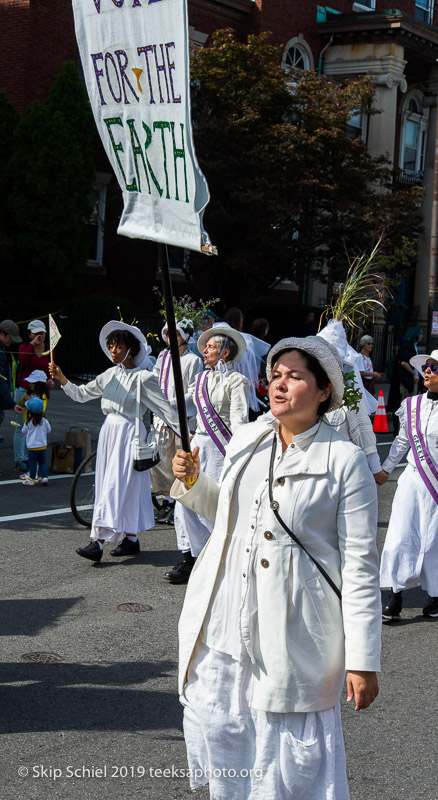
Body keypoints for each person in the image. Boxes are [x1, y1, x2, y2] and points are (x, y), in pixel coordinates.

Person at [171, 335, 381, 799]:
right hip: (225, 625)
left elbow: (362, 570)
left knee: (287, 765)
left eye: (296, 376)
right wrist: (192, 481)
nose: (280, 385)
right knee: (226, 740)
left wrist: (364, 661)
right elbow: (229, 515)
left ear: (325, 390)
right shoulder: (246, 439)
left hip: (292, 633)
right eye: (275, 375)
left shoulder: (344, 461)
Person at [49, 321, 180, 563]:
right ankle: (130, 539)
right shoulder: (109, 374)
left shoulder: (144, 377)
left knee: (114, 485)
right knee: (115, 486)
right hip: (110, 433)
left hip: (130, 434)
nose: (113, 351)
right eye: (110, 346)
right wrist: (62, 378)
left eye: (118, 346)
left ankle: (97, 543)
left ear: (131, 349)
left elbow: (165, 410)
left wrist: (186, 435)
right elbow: (81, 394)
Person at [165, 324, 249, 584]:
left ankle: (220, 558)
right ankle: (190, 557)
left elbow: (239, 421)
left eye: (211, 347)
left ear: (225, 352)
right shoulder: (201, 379)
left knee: (210, 504)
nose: (205, 351)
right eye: (205, 347)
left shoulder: (237, 381)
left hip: (221, 448)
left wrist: (240, 449)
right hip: (198, 445)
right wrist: (161, 398)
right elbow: (186, 403)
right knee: (185, 503)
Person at [379, 349, 438, 620]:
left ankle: (435, 596)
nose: (427, 372)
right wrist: (386, 469)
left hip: (436, 484)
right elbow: (403, 441)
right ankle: (395, 595)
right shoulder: (412, 405)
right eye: (427, 367)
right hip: (413, 479)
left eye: (434, 368)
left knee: (433, 542)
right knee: (401, 535)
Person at [150, 318, 202, 524]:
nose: (171, 337)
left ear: (185, 337)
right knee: (161, 460)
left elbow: (193, 392)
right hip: (162, 418)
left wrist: (169, 403)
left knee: (178, 458)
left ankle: (179, 502)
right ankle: (167, 499)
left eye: (177, 334)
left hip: (182, 420)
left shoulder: (193, 361)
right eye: (168, 334)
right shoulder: (163, 357)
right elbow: (154, 381)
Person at [14, 319, 52, 473]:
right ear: (30, 334)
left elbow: (50, 368)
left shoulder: (49, 349)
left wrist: (51, 380)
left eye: (41, 332)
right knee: (21, 425)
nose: (39, 335)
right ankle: (20, 459)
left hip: (40, 392)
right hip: (24, 389)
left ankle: (33, 457)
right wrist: (32, 345)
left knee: (37, 422)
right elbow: (22, 360)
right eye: (36, 333)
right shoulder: (24, 347)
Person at [387, 326, 423, 434]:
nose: (421, 336)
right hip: (404, 381)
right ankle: (401, 430)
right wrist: (414, 375)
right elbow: (403, 362)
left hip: (406, 380)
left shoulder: (411, 346)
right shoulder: (408, 346)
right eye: (420, 333)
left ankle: (403, 429)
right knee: (404, 404)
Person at [17, 370, 51, 480]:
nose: (30, 384)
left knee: (33, 454)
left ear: (40, 384)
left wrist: (30, 400)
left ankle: (33, 474)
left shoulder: (43, 396)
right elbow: (21, 404)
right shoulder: (28, 394)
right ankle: (39, 474)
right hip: (30, 424)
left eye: (33, 382)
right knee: (34, 454)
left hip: (34, 426)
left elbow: (41, 408)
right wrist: (24, 399)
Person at [21, 397, 51, 486]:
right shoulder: (44, 421)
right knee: (43, 463)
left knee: (33, 464)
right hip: (42, 446)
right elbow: (49, 430)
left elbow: (23, 431)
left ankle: (32, 480)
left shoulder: (28, 422)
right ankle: (45, 478)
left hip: (32, 447)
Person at [0, 320, 23, 431]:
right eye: (11, 337)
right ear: (2, 334)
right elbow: (0, 380)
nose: (13, 341)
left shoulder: (3, 350)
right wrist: (11, 403)